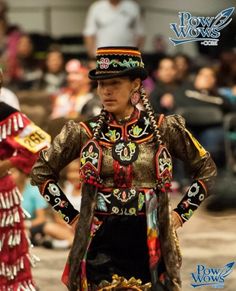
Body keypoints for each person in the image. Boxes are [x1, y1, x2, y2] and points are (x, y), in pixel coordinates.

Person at [30, 46, 217, 291]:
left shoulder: (163, 129)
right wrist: (74, 218)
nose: (106, 91)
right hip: (99, 241)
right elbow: (41, 172)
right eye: (101, 84)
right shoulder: (83, 132)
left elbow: (207, 170)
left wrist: (179, 215)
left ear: (135, 85)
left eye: (115, 83)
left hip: (149, 238)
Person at [0, 98, 50, 289]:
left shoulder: (7, 115)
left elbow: (40, 142)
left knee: (5, 260)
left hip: (1, 197)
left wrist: (8, 163)